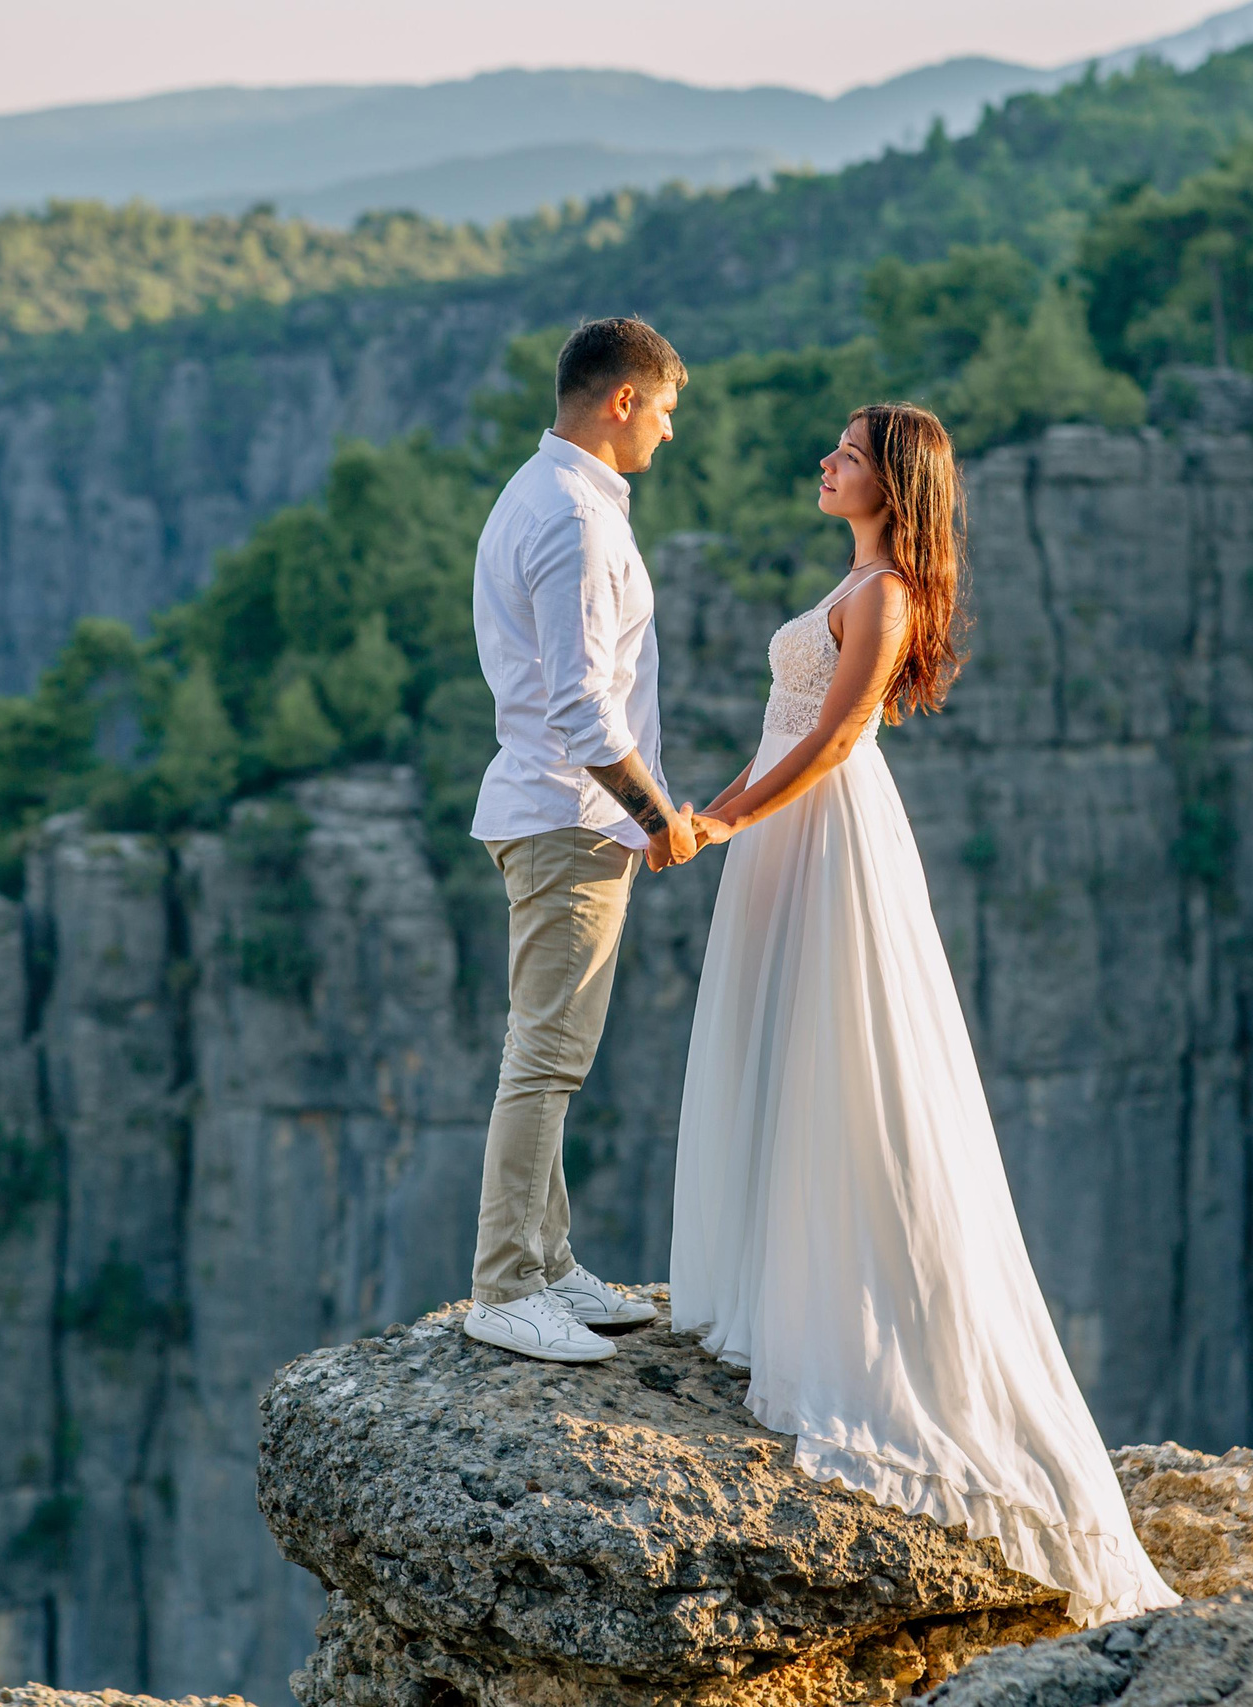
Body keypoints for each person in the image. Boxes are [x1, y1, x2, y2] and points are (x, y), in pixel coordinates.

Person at [669, 403, 1181, 1624]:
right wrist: (699, 813)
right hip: (780, 832)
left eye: (843, 451)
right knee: (784, 1047)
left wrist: (732, 820)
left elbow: (840, 734)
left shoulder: (885, 590)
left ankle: (865, 1334)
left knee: (843, 1060)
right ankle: (779, 1286)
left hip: (827, 838)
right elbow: (785, 726)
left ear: (892, 480)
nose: (824, 460)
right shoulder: (855, 578)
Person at [462, 316, 701, 1364]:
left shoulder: (550, 494)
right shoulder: (574, 520)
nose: (667, 433)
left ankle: (549, 1265)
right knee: (545, 1058)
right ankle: (506, 1284)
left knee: (549, 1051)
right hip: (570, 819)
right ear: (619, 401)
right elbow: (582, 712)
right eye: (663, 411)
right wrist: (659, 820)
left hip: (556, 814)